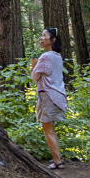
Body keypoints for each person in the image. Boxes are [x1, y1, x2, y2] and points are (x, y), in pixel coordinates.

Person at [30, 28, 67, 170]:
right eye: (41, 35)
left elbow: (34, 77)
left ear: (53, 40)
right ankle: (58, 159)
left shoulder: (46, 57)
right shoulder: (57, 56)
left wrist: (33, 67)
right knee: (50, 129)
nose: (41, 38)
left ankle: (58, 161)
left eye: (44, 35)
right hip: (57, 95)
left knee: (48, 130)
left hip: (48, 95)